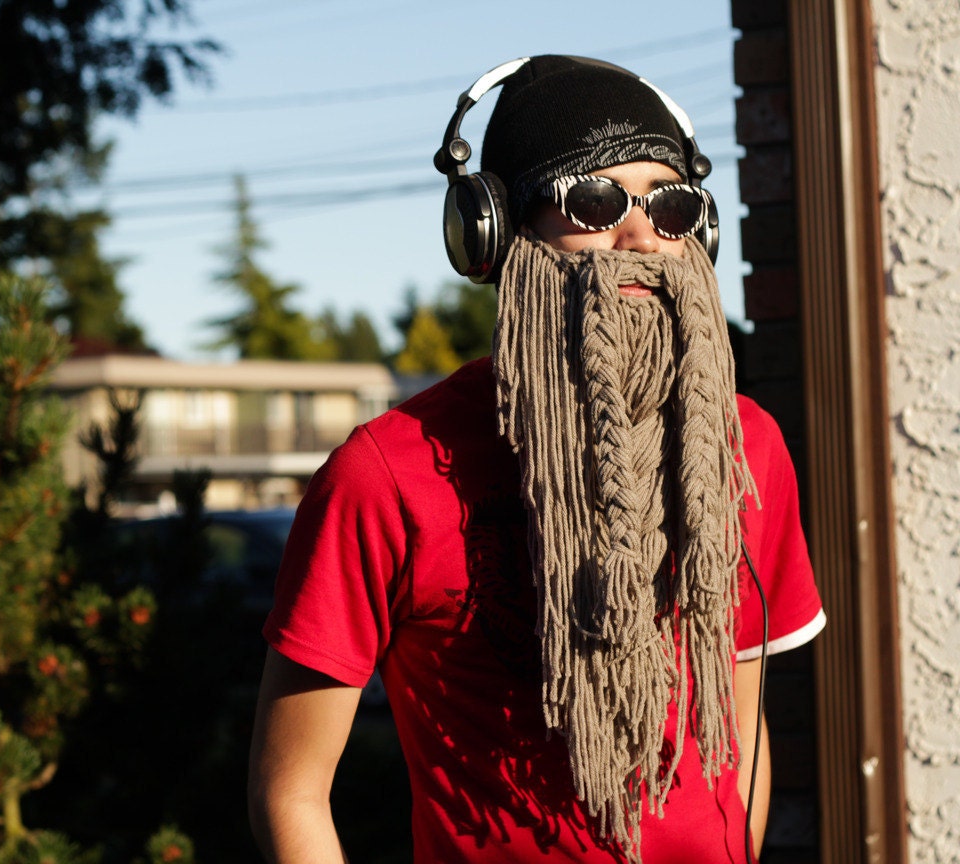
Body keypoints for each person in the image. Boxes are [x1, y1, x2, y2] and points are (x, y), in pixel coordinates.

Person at [247, 55, 826, 864]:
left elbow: (740, 730)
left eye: (672, 205)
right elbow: (291, 790)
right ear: (495, 233)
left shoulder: (744, 444)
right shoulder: (387, 474)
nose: (639, 236)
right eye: (592, 200)